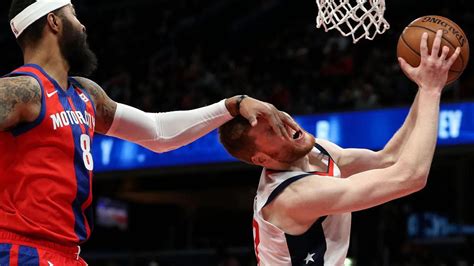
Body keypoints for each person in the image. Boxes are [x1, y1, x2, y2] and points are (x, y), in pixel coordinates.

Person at [0, 0, 299, 265]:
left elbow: (157, 133)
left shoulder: (86, 95)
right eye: (73, 14)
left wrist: (230, 106)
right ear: (54, 21)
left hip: (67, 253)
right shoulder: (21, 90)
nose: (82, 24)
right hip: (20, 249)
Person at [219, 30, 460, 265]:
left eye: (276, 115)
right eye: (272, 130)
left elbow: (388, 158)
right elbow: (411, 177)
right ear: (261, 159)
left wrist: (423, 87)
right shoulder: (292, 197)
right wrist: (431, 90)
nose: (285, 124)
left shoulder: (314, 151)